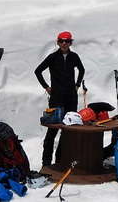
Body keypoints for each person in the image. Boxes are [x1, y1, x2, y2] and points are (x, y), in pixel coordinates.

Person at [35, 31, 85, 166]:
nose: (64, 43)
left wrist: (77, 85)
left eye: (67, 41)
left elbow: (82, 69)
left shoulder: (74, 56)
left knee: (68, 131)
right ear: (57, 42)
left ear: (71, 43)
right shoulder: (52, 57)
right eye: (61, 41)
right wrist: (46, 87)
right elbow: (37, 71)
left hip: (71, 98)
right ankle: (46, 164)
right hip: (56, 98)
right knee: (52, 130)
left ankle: (60, 161)